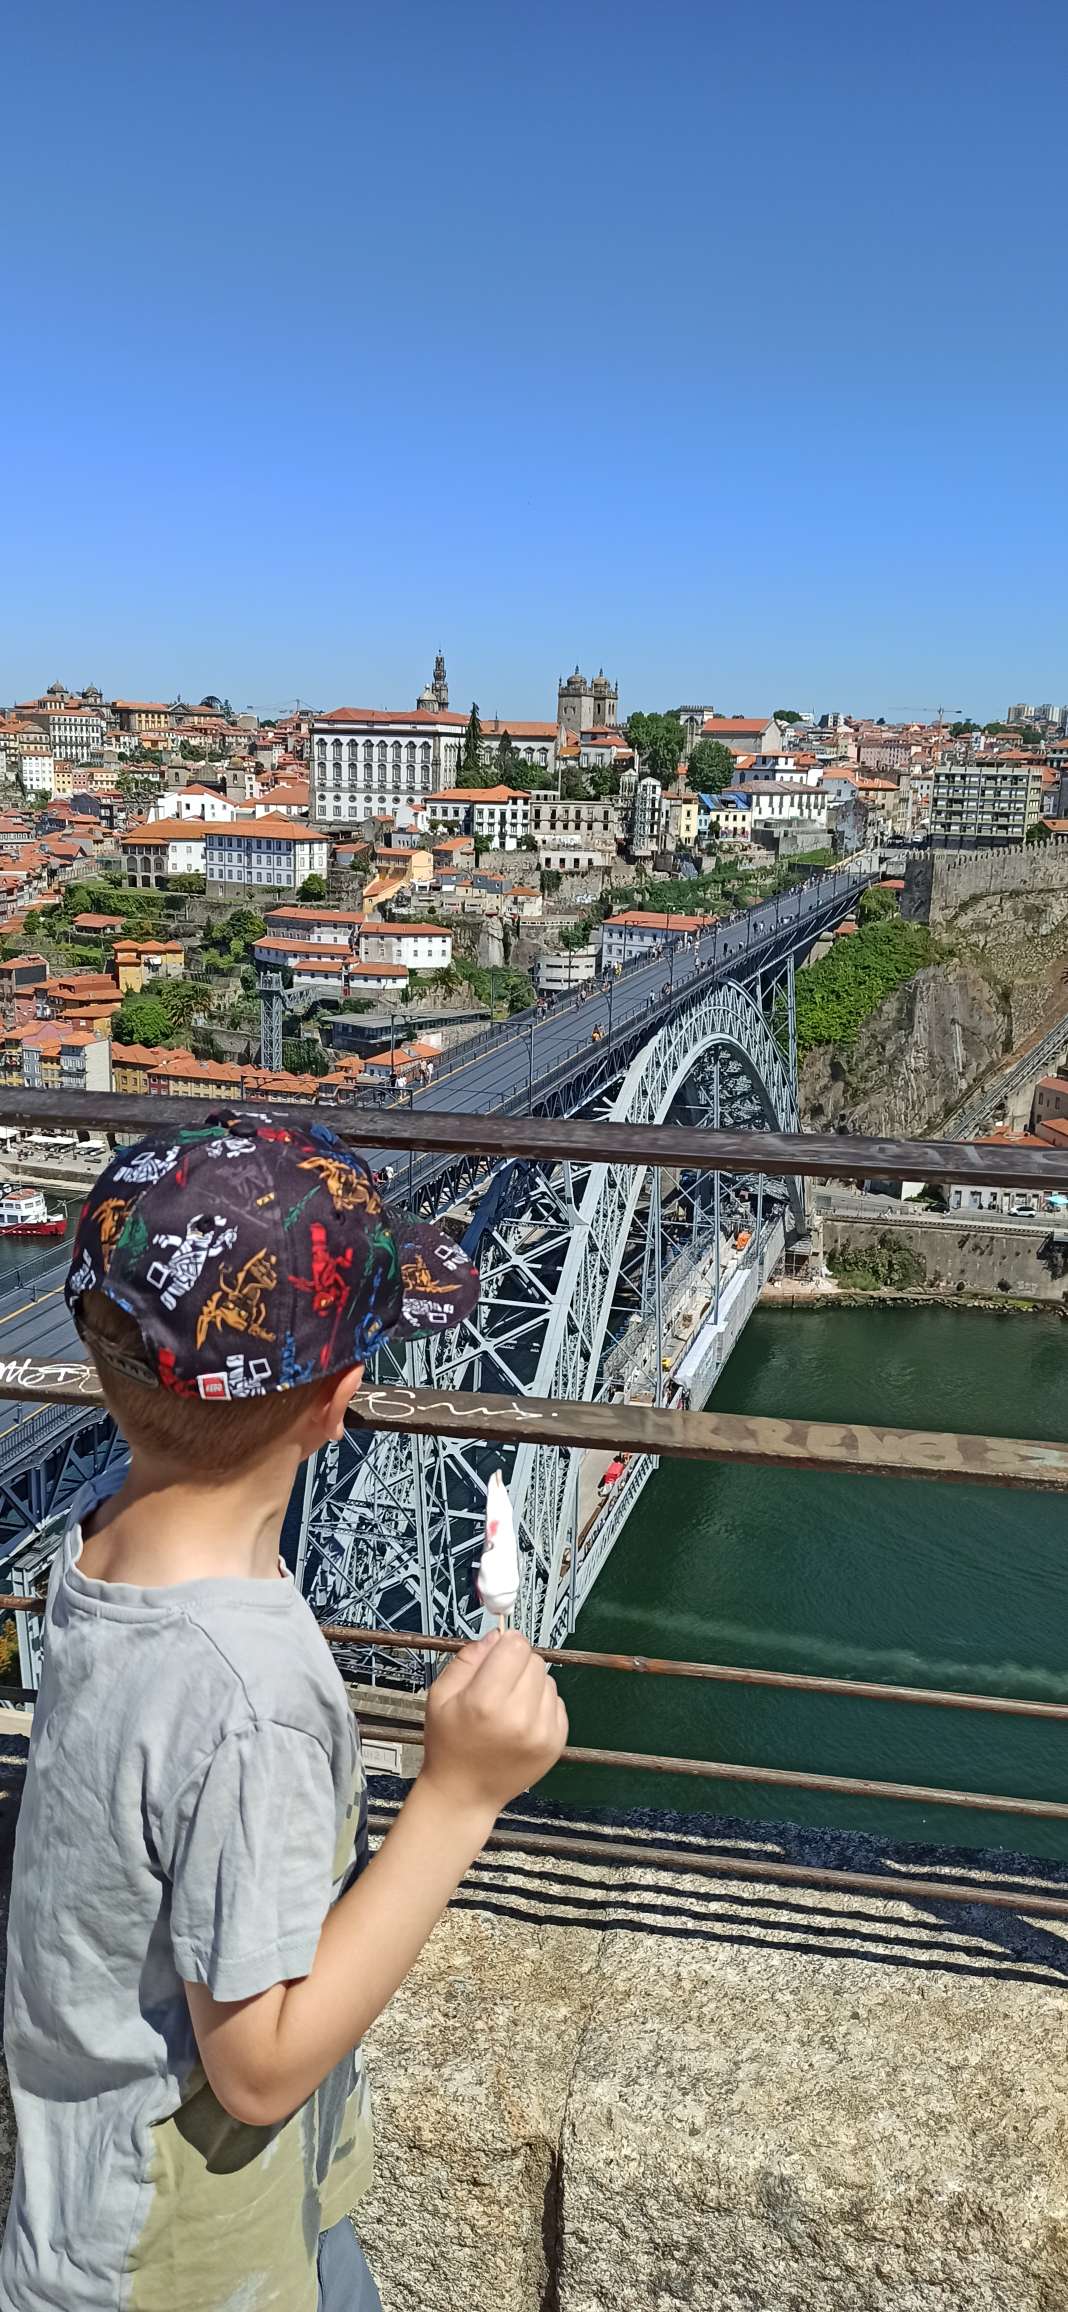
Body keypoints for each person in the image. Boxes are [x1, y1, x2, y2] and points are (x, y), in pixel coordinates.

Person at [1, 1109, 568, 2312]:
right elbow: (256, 2069)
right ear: (339, 1398)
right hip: (194, 2264)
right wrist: (458, 1797)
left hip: (96, 2198)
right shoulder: (246, 1696)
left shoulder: (95, 1548)